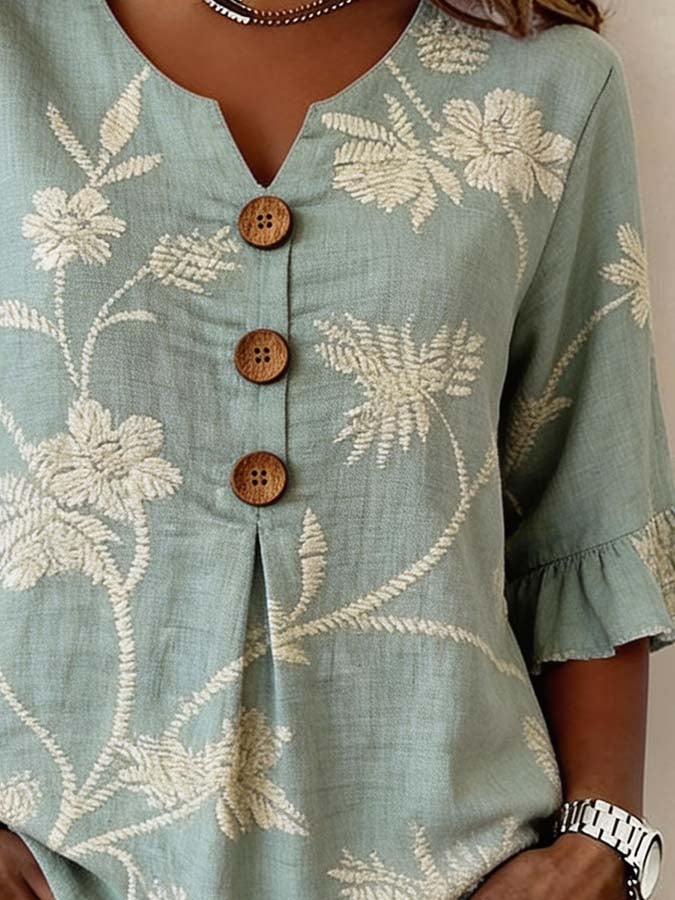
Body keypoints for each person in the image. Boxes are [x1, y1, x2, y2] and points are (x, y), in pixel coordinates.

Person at [0, 0, 673, 898]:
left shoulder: (546, 83)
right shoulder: (17, 48)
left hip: (440, 864)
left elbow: (585, 503)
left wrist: (603, 846)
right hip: (58, 854)